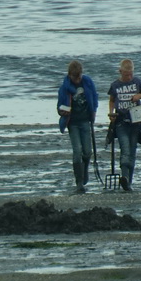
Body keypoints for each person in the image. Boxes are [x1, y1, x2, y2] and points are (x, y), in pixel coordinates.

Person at [57, 60, 98, 194]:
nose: (78, 79)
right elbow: (59, 106)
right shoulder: (65, 87)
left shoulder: (87, 82)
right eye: (75, 77)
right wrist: (62, 112)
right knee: (77, 150)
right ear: (69, 75)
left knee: (87, 151)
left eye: (79, 76)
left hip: (86, 121)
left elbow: (95, 98)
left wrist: (93, 113)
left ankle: (84, 169)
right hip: (72, 122)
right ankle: (79, 182)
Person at [107, 59, 141, 192]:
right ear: (121, 72)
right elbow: (112, 101)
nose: (129, 77)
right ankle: (124, 176)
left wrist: (138, 96)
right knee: (125, 148)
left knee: (132, 150)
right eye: (126, 75)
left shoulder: (137, 82)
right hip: (121, 122)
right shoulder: (115, 85)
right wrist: (111, 113)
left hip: (136, 121)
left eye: (130, 74)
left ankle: (128, 181)